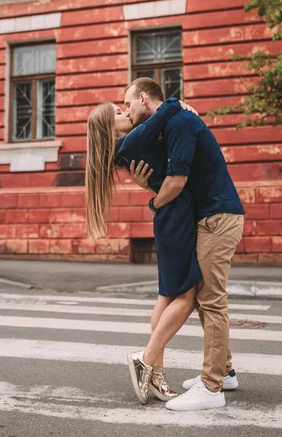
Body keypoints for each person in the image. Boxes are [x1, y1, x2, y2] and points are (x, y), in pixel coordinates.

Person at [125, 78, 245, 411]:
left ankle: (211, 387)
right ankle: (227, 371)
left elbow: (176, 182)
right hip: (211, 216)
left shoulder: (177, 122)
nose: (126, 111)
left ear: (144, 98)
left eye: (128, 104)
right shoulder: (172, 122)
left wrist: (153, 203)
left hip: (217, 217)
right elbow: (175, 182)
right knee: (207, 297)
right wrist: (153, 186)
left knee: (211, 300)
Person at [85, 94, 202, 406]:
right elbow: (165, 112)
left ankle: (156, 376)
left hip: (169, 219)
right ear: (109, 127)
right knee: (187, 297)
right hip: (175, 219)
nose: (125, 112)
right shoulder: (132, 140)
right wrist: (178, 103)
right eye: (118, 112)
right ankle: (146, 360)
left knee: (166, 298)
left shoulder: (123, 148)